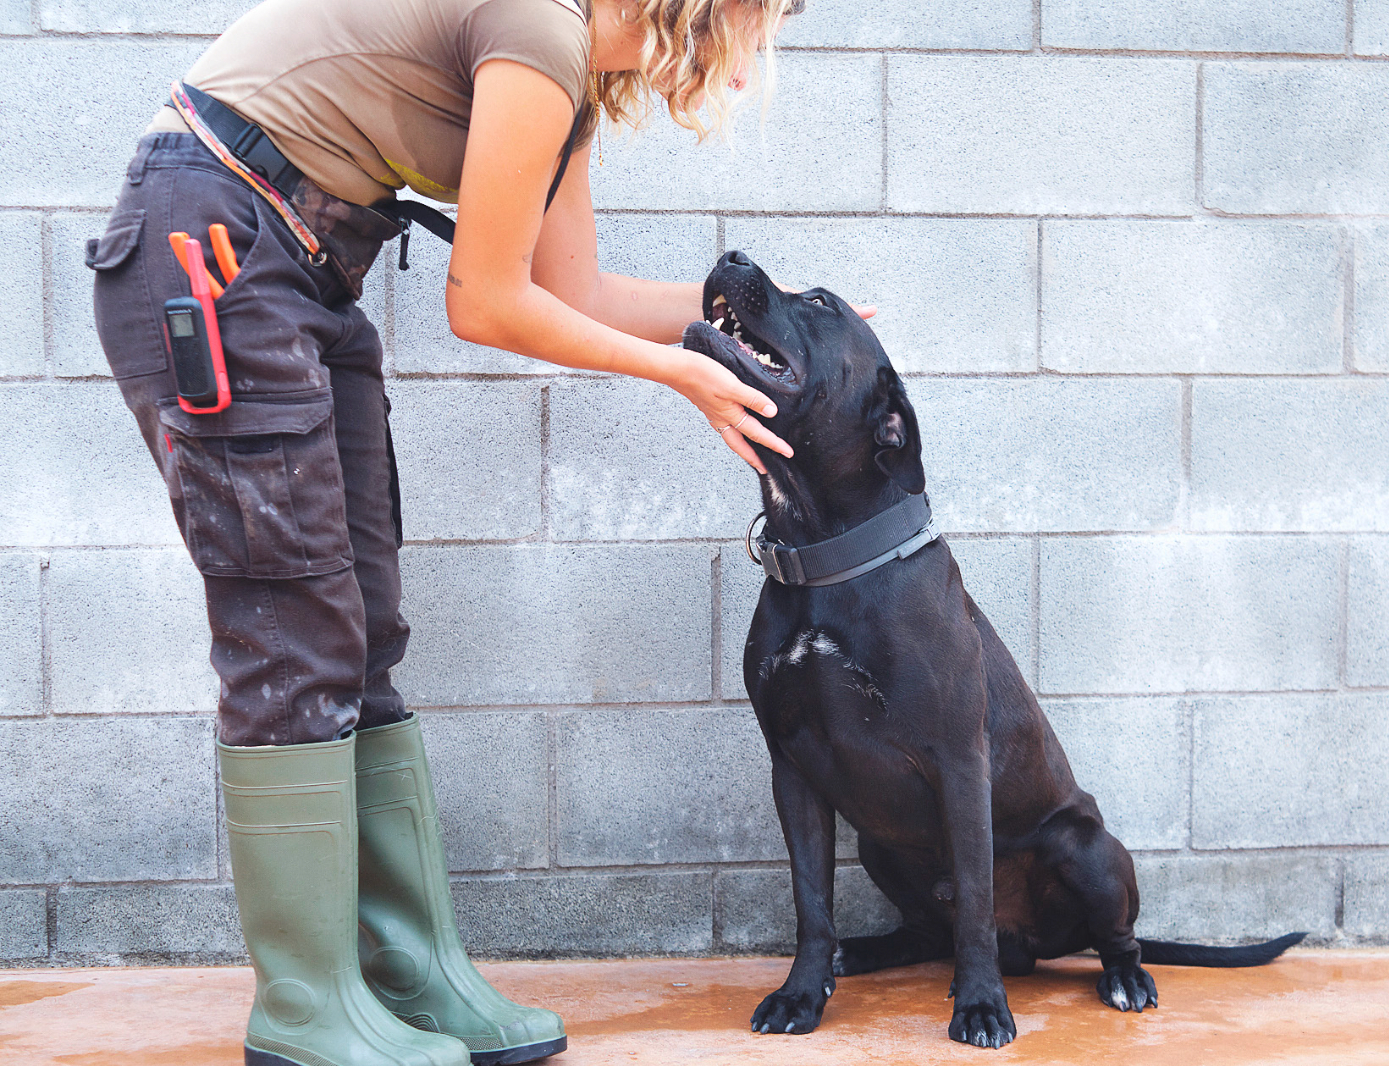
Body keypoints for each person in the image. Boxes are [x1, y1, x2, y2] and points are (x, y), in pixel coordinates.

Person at [87, 2, 853, 1064]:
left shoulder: (567, 80)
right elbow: (486, 303)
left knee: (361, 630)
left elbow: (575, 291)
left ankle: (411, 974)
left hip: (304, 267)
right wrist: (681, 374)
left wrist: (776, 317)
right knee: (293, 631)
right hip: (214, 245)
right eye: (761, 16)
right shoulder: (540, 28)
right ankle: (308, 1007)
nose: (756, 46)